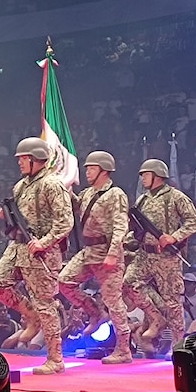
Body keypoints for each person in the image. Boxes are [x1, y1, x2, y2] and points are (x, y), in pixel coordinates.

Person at [0, 137, 74, 375]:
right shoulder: (21, 186)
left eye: (23, 159)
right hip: (18, 246)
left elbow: (65, 221)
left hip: (42, 252)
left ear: (36, 159)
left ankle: (55, 358)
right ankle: (30, 316)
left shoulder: (52, 184)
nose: (19, 163)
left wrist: (44, 242)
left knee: (45, 303)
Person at [58, 151, 132, 364]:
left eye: (91, 168)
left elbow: (120, 226)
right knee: (65, 282)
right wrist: (65, 189)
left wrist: (113, 253)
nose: (87, 171)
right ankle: (95, 312)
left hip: (107, 252)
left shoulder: (115, 194)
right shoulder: (89, 193)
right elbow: (77, 206)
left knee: (113, 301)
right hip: (89, 252)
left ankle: (123, 349)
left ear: (104, 170)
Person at [123, 159, 196, 351]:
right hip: (144, 254)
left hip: (166, 257)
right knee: (129, 283)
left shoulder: (175, 197)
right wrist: (126, 240)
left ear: (157, 175)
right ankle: (157, 316)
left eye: (145, 174)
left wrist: (173, 237)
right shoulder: (142, 199)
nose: (142, 178)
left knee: (172, 300)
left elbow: (192, 222)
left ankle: (178, 345)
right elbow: (138, 229)